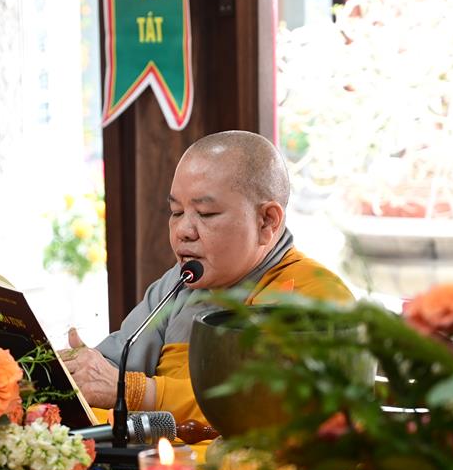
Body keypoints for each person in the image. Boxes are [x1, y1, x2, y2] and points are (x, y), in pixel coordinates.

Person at [60, 130, 353, 425]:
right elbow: (116, 365)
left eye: (206, 213)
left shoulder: (316, 294)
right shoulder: (180, 284)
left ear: (267, 221)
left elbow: (267, 405)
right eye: (176, 212)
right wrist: (72, 372)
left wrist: (139, 392)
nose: (183, 230)